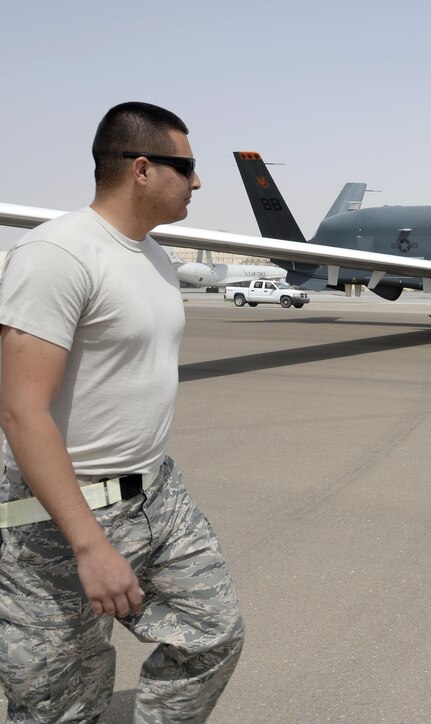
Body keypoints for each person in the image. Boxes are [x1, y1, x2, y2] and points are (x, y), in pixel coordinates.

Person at [0, 102, 245, 722]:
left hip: (156, 494)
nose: (197, 182)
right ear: (141, 168)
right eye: (186, 166)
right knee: (61, 702)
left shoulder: (154, 255)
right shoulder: (56, 255)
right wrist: (89, 546)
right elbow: (20, 410)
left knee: (213, 634)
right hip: (54, 517)